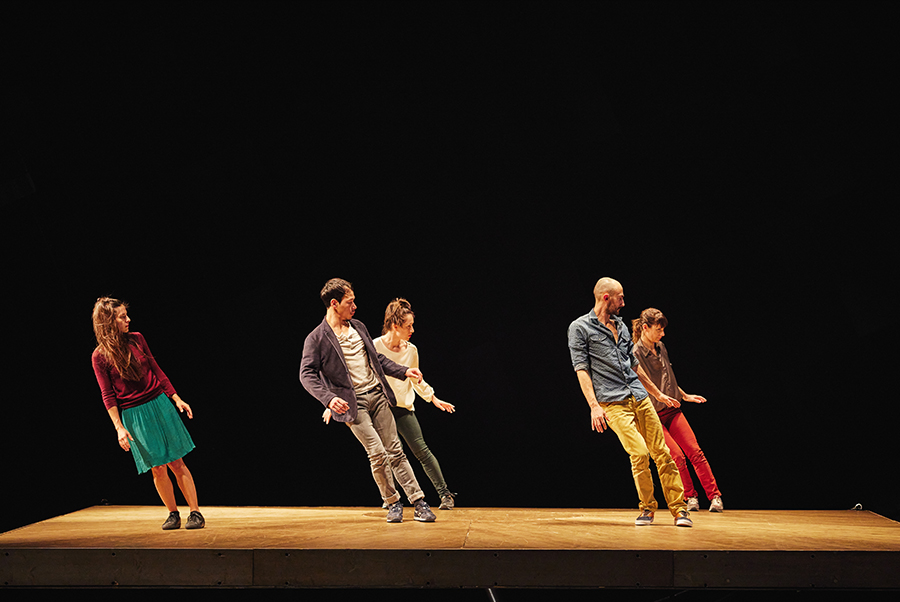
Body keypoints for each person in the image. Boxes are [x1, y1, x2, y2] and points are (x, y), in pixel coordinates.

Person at [299, 278, 437, 523]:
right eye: (349, 302)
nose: (354, 306)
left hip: (377, 395)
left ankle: (419, 502)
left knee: (395, 450)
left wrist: (404, 370)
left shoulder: (358, 327)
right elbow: (306, 374)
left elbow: (377, 360)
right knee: (377, 453)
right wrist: (329, 400)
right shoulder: (317, 338)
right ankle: (393, 502)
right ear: (334, 303)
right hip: (354, 404)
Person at [567, 278, 692, 527]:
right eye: (620, 297)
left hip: (639, 397)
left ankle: (679, 510)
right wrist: (594, 406)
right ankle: (647, 508)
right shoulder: (580, 328)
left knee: (663, 454)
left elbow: (633, 366)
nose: (623, 302)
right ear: (606, 297)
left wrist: (656, 394)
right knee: (639, 452)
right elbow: (581, 369)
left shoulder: (622, 327)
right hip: (612, 402)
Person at [327, 298, 457, 509]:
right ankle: (392, 500)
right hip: (380, 404)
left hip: (403, 407)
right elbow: (354, 372)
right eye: (408, 326)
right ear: (395, 326)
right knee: (386, 453)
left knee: (421, 451)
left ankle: (445, 494)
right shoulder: (374, 345)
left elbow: (416, 379)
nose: (412, 330)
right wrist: (330, 402)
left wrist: (432, 397)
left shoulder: (411, 350)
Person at [91, 297, 204, 531]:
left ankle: (195, 512)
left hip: (159, 404)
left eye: (126, 315)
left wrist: (176, 398)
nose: (128, 319)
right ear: (109, 322)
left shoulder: (137, 339)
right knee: (157, 467)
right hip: (134, 415)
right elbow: (107, 395)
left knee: (176, 461)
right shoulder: (100, 356)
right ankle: (173, 513)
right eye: (122, 317)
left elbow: (156, 370)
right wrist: (119, 427)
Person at [632, 308, 723, 512]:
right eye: (658, 329)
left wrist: (684, 395)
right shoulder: (635, 353)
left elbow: (667, 379)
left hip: (672, 410)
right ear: (645, 328)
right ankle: (690, 497)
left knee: (695, 452)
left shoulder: (661, 347)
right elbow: (644, 383)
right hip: (653, 414)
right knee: (677, 457)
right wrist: (659, 396)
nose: (662, 334)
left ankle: (715, 496)